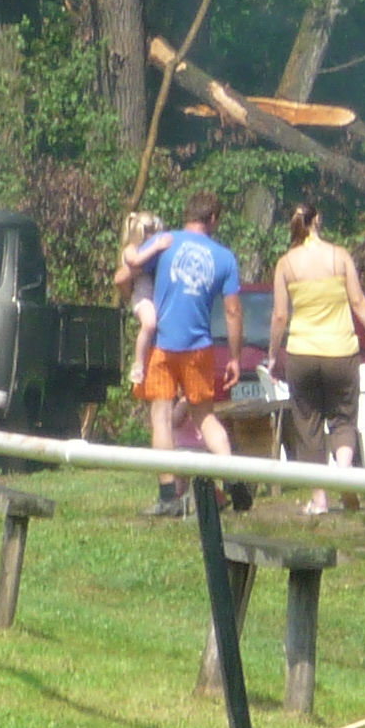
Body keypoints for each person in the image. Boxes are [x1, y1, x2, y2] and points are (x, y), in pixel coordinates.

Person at [124, 191, 249, 517]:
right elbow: (233, 311)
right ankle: (232, 479)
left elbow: (128, 271)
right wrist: (235, 357)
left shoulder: (164, 241)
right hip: (199, 348)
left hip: (163, 345)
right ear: (213, 219)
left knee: (161, 417)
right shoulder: (225, 258)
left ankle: (169, 496)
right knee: (204, 417)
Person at [270, 202, 365, 514]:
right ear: (318, 220)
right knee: (343, 417)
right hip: (341, 351)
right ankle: (343, 474)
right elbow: (358, 301)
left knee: (308, 424)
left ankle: (319, 499)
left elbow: (280, 315)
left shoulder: (286, 263)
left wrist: (272, 355)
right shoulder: (340, 256)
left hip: (302, 353)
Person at [114, 210, 165, 388]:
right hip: (142, 297)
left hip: (155, 297)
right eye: (148, 232)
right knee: (149, 323)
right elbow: (135, 261)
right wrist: (156, 247)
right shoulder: (130, 249)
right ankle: (138, 364)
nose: (151, 236)